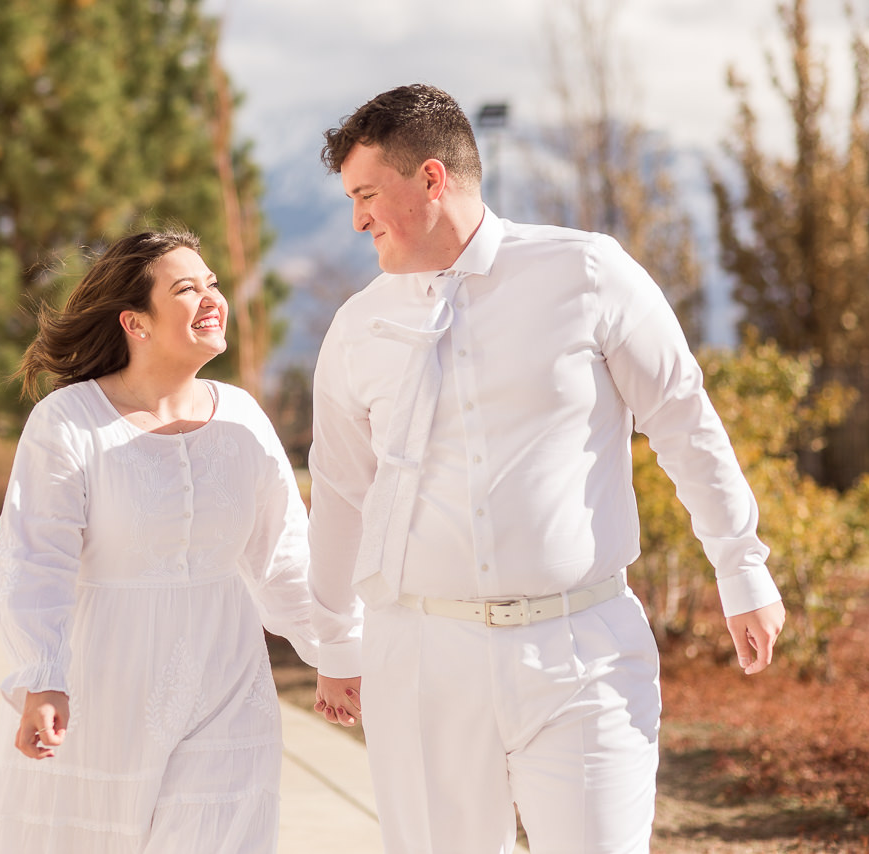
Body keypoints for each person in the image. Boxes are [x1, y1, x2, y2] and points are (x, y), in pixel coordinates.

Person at [307, 84, 786, 854]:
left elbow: (681, 417)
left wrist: (742, 565)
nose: (358, 219)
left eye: (367, 195)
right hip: (424, 661)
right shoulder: (357, 327)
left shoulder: (588, 274)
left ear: (432, 179)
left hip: (584, 650)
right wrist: (336, 640)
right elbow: (338, 492)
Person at [0, 229, 318, 854]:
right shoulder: (69, 421)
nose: (212, 299)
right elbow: (33, 559)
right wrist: (42, 677)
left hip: (228, 683)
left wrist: (336, 652)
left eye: (212, 283)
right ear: (136, 322)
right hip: (103, 688)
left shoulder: (242, 416)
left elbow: (283, 557)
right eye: (186, 289)